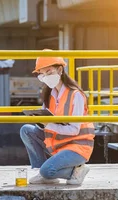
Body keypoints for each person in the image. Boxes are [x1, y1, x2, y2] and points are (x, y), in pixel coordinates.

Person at [20, 52, 95, 185]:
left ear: (60, 70)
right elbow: (46, 119)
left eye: (49, 72)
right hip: (60, 144)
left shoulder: (76, 95)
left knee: (47, 171)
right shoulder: (49, 95)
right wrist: (38, 120)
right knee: (26, 130)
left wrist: (47, 124)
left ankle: (77, 171)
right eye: (42, 74)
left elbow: (74, 130)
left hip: (77, 146)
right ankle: (42, 171)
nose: (46, 77)